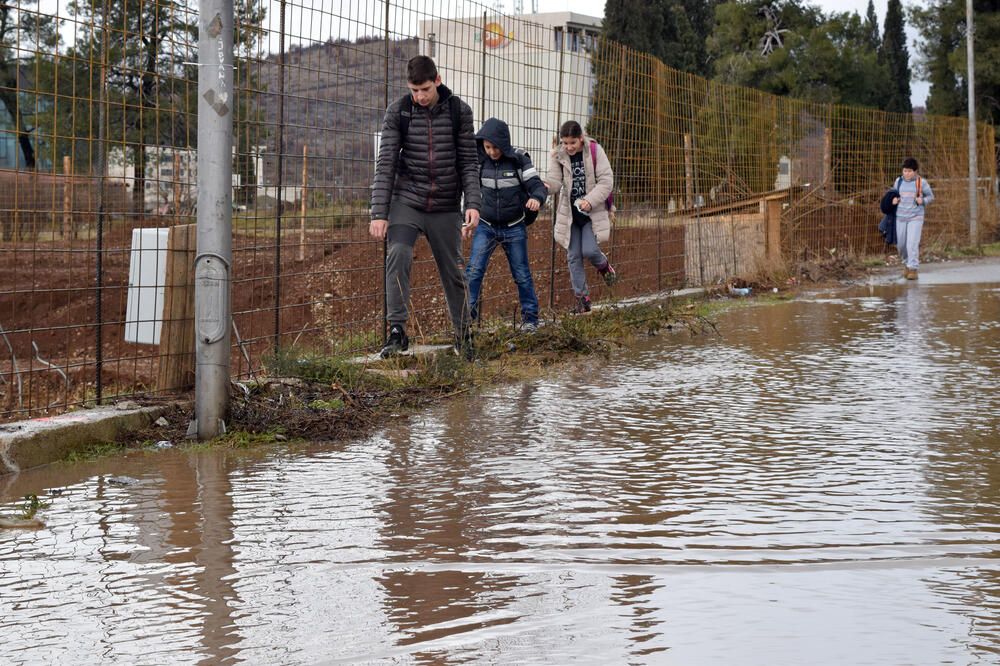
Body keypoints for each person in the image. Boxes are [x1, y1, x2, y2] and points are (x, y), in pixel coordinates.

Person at [370, 55, 481, 358]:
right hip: (407, 200)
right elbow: (386, 164)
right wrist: (379, 213)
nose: (419, 97)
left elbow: (469, 163)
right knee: (399, 254)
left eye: (425, 90)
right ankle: (397, 332)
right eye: (414, 90)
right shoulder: (399, 112)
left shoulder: (460, 112)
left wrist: (472, 203)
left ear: (438, 81)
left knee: (454, 271)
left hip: (445, 204)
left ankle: (463, 335)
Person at [465, 117, 547, 333]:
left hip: (514, 227)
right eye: (487, 146)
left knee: (521, 274)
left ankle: (530, 320)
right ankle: (465, 321)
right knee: (473, 272)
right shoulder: (479, 160)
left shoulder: (520, 159)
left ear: (504, 143)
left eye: (496, 147)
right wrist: (464, 218)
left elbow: (537, 185)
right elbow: (469, 191)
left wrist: (537, 198)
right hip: (485, 226)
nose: (492, 151)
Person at [543, 120, 618, 313]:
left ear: (581, 139)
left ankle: (604, 267)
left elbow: (606, 180)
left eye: (572, 143)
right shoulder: (558, 155)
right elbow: (555, 182)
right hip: (570, 215)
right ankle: (583, 300)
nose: (568, 147)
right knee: (573, 256)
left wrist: (590, 200)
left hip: (591, 213)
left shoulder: (594, 151)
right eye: (565, 143)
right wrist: (545, 187)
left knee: (590, 251)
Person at [891, 157, 934, 280]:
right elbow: (893, 195)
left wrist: (923, 200)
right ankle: (907, 264)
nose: (907, 173)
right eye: (905, 171)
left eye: (909, 171)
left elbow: (931, 196)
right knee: (901, 245)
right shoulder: (898, 181)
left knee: (912, 244)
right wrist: (893, 200)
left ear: (915, 171)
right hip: (900, 217)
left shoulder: (921, 182)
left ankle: (913, 269)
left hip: (916, 217)